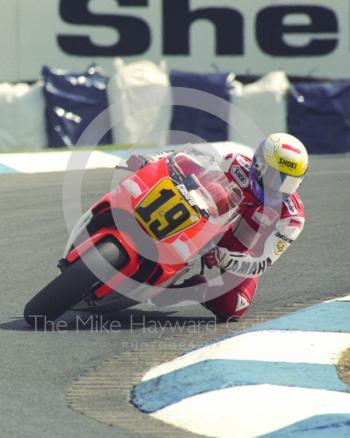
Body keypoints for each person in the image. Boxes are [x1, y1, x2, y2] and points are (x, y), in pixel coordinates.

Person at [127, 133, 308, 320]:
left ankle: (195, 290)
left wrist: (224, 258)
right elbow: (185, 159)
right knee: (201, 183)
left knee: (235, 307)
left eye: (289, 182)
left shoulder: (292, 217)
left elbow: (262, 261)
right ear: (258, 164)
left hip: (238, 251)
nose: (278, 188)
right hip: (206, 219)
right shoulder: (234, 162)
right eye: (274, 177)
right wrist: (151, 161)